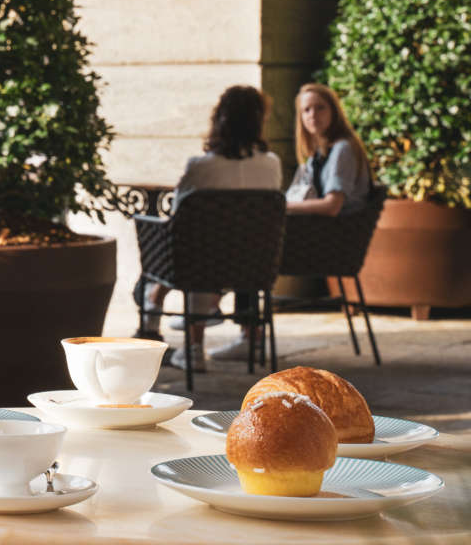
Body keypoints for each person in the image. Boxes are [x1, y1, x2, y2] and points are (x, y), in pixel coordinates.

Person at [137, 85, 283, 370]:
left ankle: (187, 344)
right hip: (254, 264)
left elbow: (179, 216)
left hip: (200, 265)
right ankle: (244, 338)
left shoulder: (200, 166)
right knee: (208, 246)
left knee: (196, 247)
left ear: (219, 119)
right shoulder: (272, 164)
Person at [285, 82, 371, 217]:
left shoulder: (342, 149)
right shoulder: (317, 155)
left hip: (340, 226)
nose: (313, 115)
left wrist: (282, 207)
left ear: (334, 112)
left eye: (320, 108)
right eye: (306, 110)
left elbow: (332, 206)